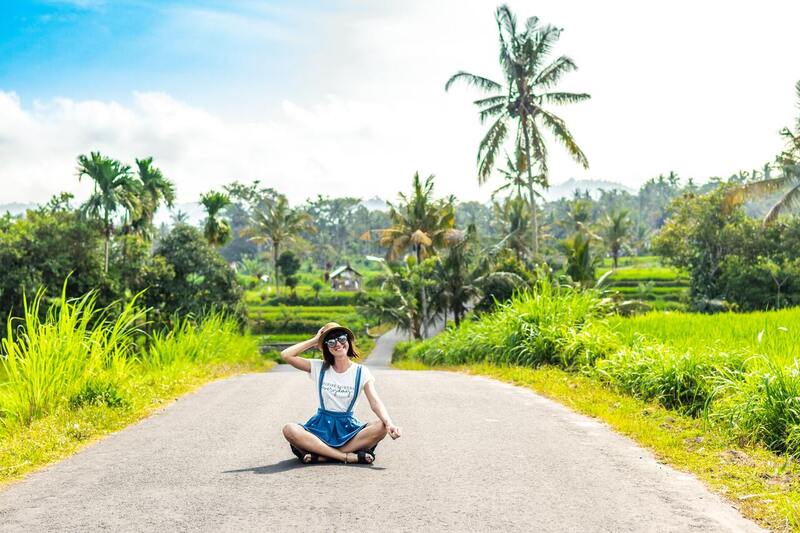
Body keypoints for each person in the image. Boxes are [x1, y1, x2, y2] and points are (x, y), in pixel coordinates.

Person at [281, 322, 402, 464]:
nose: (338, 344)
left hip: (347, 430)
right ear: (326, 347)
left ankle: (322, 455)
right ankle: (344, 456)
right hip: (320, 428)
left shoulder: (361, 371)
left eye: (342, 338)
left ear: (348, 341)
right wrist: (315, 340)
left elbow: (375, 402)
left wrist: (389, 424)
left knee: (381, 427)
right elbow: (286, 355)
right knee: (289, 429)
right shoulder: (318, 367)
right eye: (331, 341)